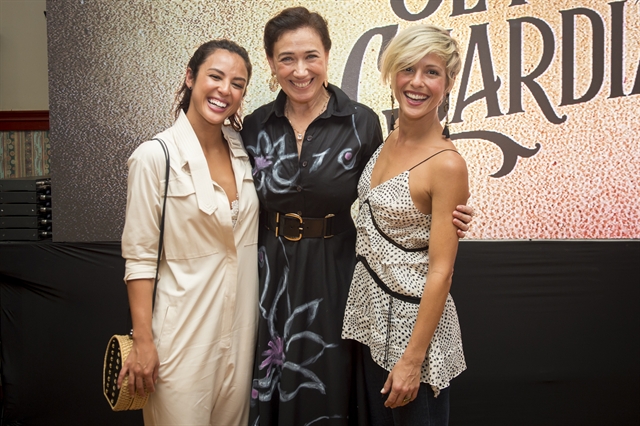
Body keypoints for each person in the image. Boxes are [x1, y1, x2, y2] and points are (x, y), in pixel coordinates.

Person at [241, 8, 472, 425]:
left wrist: (450, 210)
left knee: (340, 391)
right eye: (286, 58)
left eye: (311, 55)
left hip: (343, 278)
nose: (300, 70)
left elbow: (413, 191)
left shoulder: (361, 123)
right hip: (273, 277)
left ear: (328, 56)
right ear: (272, 65)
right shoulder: (255, 126)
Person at [118, 39, 259, 426]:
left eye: (237, 83)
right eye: (215, 76)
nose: (224, 90)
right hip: (180, 339)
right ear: (190, 77)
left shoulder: (243, 148)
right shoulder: (154, 157)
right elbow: (140, 259)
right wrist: (143, 342)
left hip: (240, 334)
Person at [341, 24, 468, 425]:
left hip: (412, 333)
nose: (417, 82)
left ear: (448, 83)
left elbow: (442, 270)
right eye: (407, 69)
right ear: (392, 75)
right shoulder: (387, 139)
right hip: (371, 316)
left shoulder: (447, 164)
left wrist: (412, 360)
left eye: (431, 72)